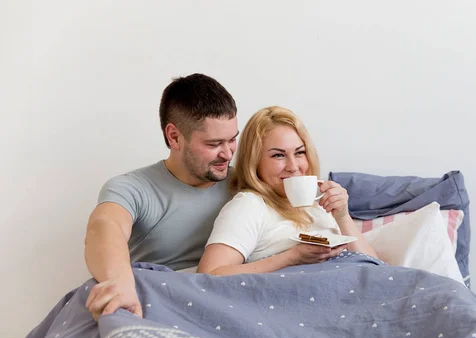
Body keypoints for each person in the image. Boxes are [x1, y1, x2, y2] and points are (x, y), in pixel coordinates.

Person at [84, 73, 239, 320]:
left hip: (228, 308)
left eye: (232, 140)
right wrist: (119, 283)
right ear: (174, 136)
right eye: (214, 144)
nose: (228, 153)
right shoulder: (132, 187)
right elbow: (104, 227)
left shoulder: (245, 184)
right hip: (157, 305)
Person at [197, 106, 377, 276]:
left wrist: (343, 217)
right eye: (278, 155)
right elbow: (209, 274)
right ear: (255, 162)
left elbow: (376, 268)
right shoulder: (249, 205)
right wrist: (291, 257)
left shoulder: (321, 203)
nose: (293, 167)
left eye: (299, 153)